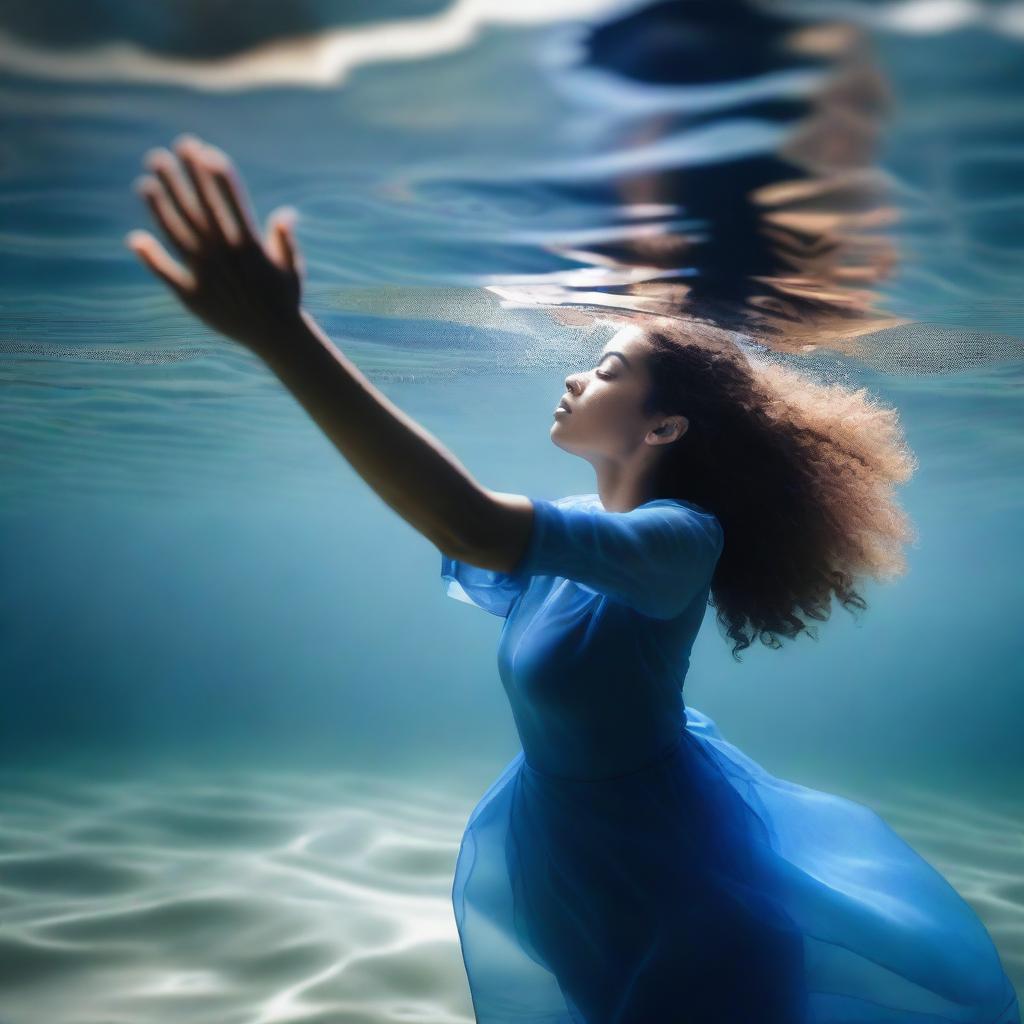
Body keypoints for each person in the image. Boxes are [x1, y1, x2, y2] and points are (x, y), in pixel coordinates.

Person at [127, 135, 1021, 1024]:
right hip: (570, 853)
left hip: (670, 872)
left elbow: (466, 521)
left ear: (665, 427)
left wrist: (284, 336)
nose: (573, 373)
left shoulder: (678, 541)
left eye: (607, 368)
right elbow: (473, 535)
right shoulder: (583, 534)